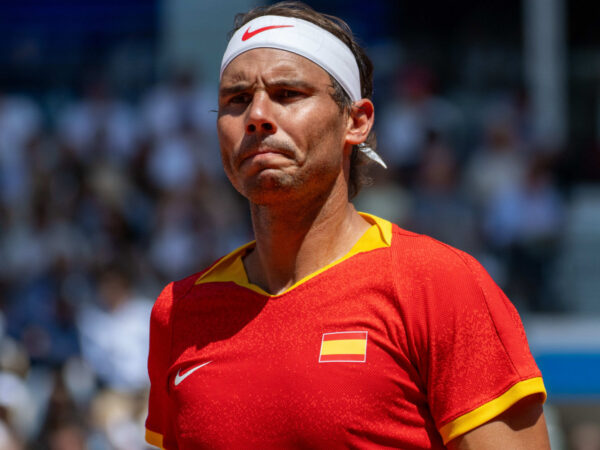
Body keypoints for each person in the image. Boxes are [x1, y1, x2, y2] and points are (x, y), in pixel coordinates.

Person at [145, 2, 550, 448]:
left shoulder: (437, 283)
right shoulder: (178, 311)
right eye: (236, 100)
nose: (257, 116)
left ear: (356, 122)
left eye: (288, 94)